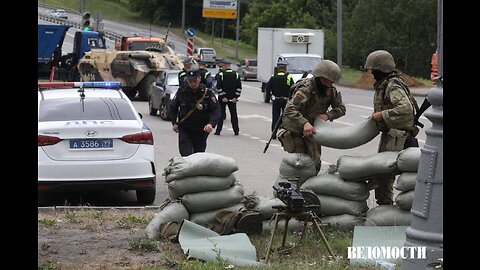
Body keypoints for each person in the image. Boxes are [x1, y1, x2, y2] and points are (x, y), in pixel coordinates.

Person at [364, 50, 420, 205]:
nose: (372, 74)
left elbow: (405, 109)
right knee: (383, 173)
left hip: (397, 137)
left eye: (373, 70)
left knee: (385, 174)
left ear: (381, 69)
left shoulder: (392, 86)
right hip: (392, 134)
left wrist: (381, 115)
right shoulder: (386, 84)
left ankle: (386, 205)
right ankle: (385, 206)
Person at [277, 60, 346, 173]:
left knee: (315, 163)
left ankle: (308, 188)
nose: (331, 83)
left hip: (313, 132)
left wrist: (328, 115)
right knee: (300, 163)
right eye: (329, 81)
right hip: (296, 131)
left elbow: (341, 109)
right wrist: (304, 123)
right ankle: (295, 188)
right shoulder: (306, 88)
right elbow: (289, 109)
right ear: (321, 77)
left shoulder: (331, 90)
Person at [169, 69, 221, 156]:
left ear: (199, 79)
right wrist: (174, 122)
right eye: (190, 81)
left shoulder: (206, 93)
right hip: (185, 128)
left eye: (195, 81)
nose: (193, 84)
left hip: (201, 130)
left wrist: (211, 124)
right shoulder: (182, 91)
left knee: (198, 155)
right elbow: (173, 107)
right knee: (186, 154)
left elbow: (217, 110)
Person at [266, 61, 295, 139]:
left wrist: (268, 98)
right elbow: (293, 88)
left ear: (278, 68)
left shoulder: (273, 77)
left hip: (276, 100)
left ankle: (274, 134)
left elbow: (268, 88)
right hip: (285, 100)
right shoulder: (288, 77)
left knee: (275, 116)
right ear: (285, 68)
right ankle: (284, 134)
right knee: (286, 117)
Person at [214, 60, 242, 136]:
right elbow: (239, 87)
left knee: (221, 115)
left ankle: (218, 131)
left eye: (222, 66)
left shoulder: (221, 74)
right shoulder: (236, 74)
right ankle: (236, 131)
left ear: (225, 66)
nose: (222, 67)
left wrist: (223, 96)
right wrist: (235, 97)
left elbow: (218, 87)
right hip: (233, 99)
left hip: (223, 99)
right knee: (234, 115)